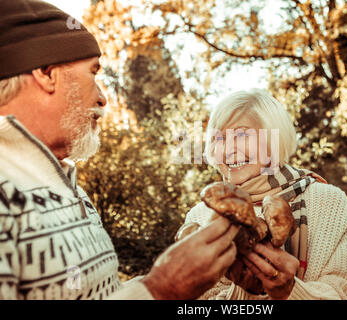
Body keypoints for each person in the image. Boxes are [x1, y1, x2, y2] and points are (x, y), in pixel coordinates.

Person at [0, 0, 238, 300]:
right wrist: (160, 289)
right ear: (47, 73)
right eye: (93, 73)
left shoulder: (72, 189)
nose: (103, 98)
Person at [183, 89, 347, 300]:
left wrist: (292, 292)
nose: (228, 148)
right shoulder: (200, 218)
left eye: (241, 134)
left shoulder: (328, 201)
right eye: (218, 138)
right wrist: (245, 289)